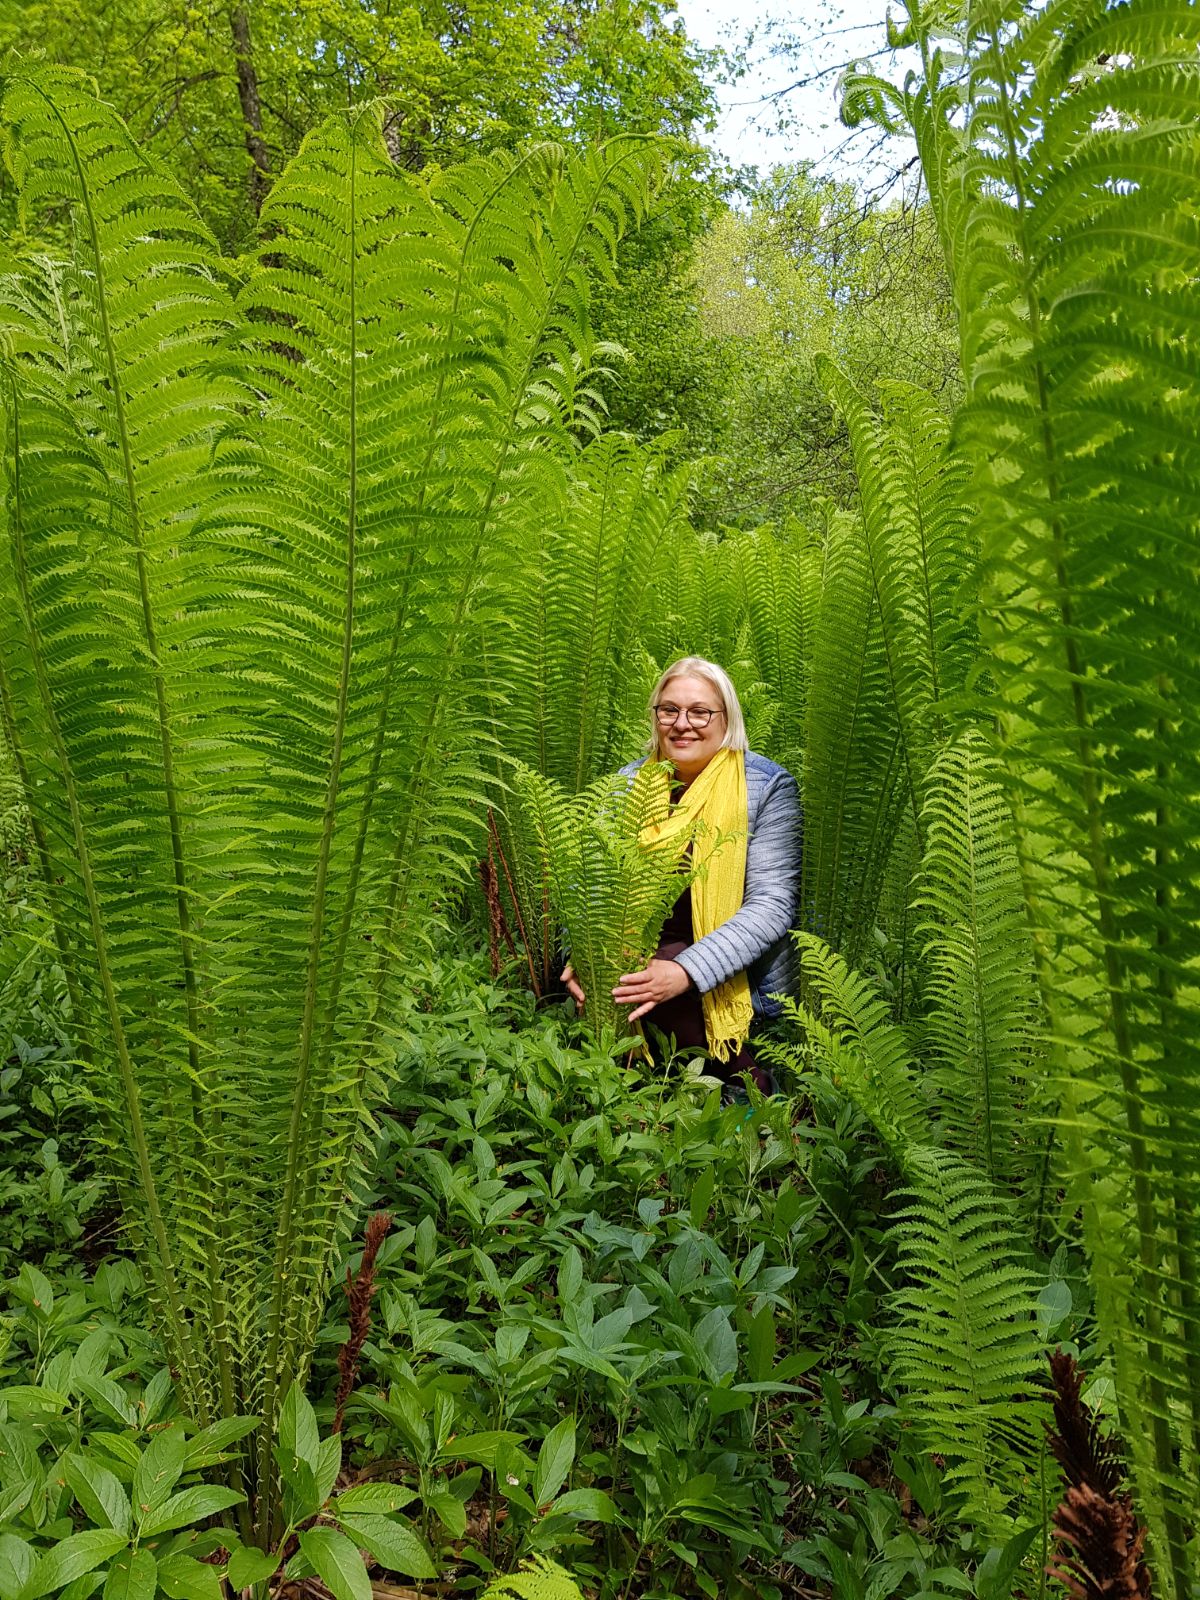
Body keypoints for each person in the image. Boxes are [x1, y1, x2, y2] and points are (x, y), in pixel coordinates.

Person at [563, 656, 802, 1099]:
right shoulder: (626, 786)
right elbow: (585, 886)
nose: (682, 724)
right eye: (668, 710)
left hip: (729, 967)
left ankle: (748, 1084)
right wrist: (583, 956)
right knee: (630, 978)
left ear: (726, 718)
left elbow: (772, 906)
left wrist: (684, 971)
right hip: (633, 955)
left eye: (699, 712)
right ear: (655, 717)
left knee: (641, 982)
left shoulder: (766, 787)